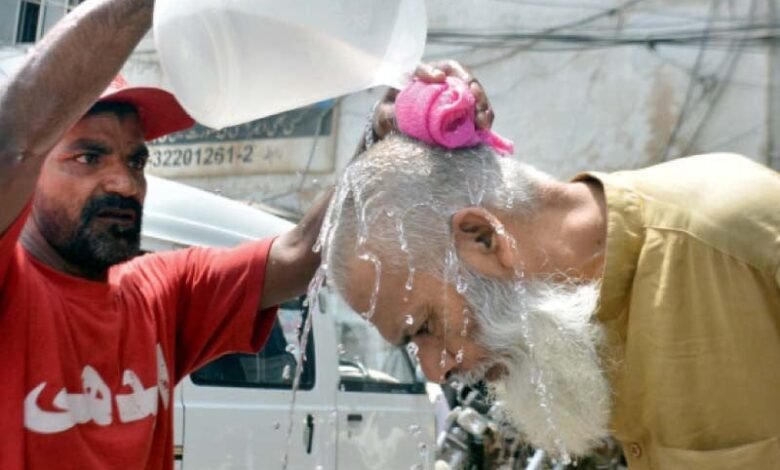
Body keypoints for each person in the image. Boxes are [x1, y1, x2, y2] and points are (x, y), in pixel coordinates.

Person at [321, 129, 780, 467]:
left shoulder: (734, 236)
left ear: (482, 237)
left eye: (424, 328)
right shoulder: (568, 320)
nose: (435, 369)